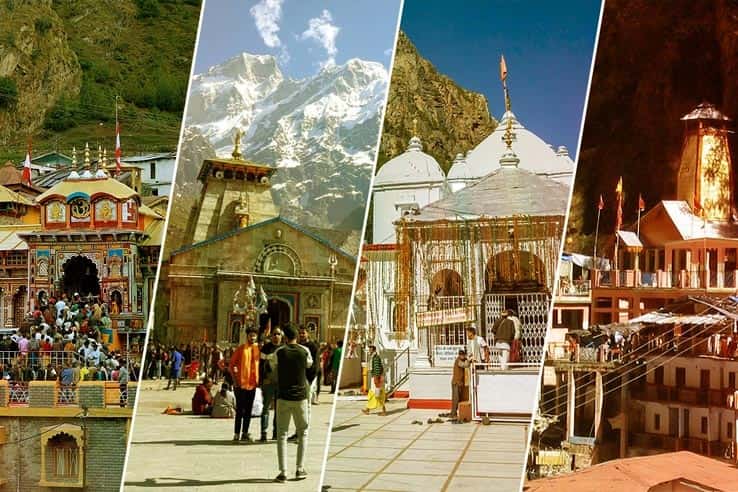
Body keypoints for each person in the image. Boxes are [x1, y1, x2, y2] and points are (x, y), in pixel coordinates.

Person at [271, 323, 312, 482]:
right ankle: (300, 469)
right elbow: (309, 365)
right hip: (300, 397)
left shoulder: (279, 352)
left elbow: (273, 365)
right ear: (297, 336)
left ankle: (283, 472)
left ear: (285, 337)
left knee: (281, 435)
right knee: (303, 433)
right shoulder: (304, 351)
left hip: (283, 397)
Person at [229, 328, 260, 442]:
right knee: (240, 410)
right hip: (240, 385)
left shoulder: (257, 349)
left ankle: (245, 432)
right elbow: (232, 365)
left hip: (252, 385)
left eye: (254, 336)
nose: (252, 338)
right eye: (251, 336)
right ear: (247, 336)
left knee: (248, 410)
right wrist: (235, 380)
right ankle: (236, 433)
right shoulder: (241, 349)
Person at [259, 328, 283, 442]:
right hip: (268, 383)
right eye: (274, 334)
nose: (276, 336)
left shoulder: (284, 349)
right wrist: (262, 380)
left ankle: (276, 433)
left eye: (278, 334)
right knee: (266, 408)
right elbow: (261, 365)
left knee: (279, 409)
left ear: (281, 336)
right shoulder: (266, 348)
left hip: (280, 384)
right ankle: (263, 432)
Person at [362, 345, 386, 416]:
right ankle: (368, 409)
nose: (369, 351)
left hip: (376, 378)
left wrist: (376, 378)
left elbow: (378, 368)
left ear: (373, 350)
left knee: (376, 394)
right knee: (376, 394)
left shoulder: (375, 358)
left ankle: (369, 409)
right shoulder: (374, 357)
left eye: (370, 349)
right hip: (376, 377)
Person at [298, 326, 319, 405]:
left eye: (303, 333)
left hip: (309, 376)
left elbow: (315, 363)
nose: (301, 335)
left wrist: (311, 378)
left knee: (307, 400)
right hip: (299, 377)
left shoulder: (313, 346)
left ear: (307, 334)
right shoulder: (297, 345)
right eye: (300, 333)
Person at [450, 348, 469, 422]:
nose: (463, 356)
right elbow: (465, 365)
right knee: (456, 399)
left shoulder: (461, 360)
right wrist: (469, 360)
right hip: (456, 383)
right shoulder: (458, 361)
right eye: (462, 355)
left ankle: (455, 413)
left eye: (463, 355)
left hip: (459, 383)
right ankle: (453, 414)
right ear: (460, 355)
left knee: (458, 399)